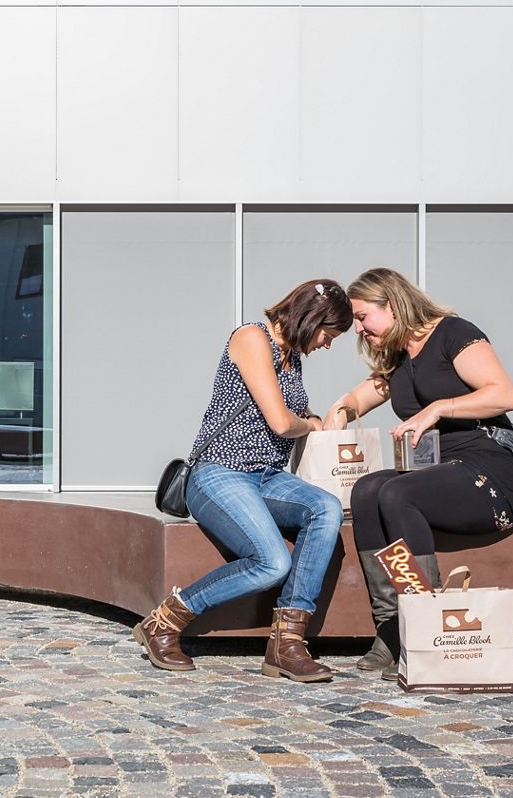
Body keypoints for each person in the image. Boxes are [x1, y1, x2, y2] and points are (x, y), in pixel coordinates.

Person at [133, 280, 351, 680]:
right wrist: (311, 424)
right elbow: (282, 422)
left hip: (267, 477)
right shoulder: (252, 338)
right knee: (272, 563)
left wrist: (318, 419)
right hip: (220, 473)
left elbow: (295, 416)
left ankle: (286, 643)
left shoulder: (291, 357)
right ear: (312, 318)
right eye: (329, 335)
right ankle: (164, 621)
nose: (327, 345)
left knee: (326, 507)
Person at [323, 268, 513, 680]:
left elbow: (504, 395)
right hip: (439, 470)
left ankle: (427, 623)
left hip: (488, 468)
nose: (358, 329)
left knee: (398, 493)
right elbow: (365, 394)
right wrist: (341, 409)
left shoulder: (454, 334)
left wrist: (437, 409)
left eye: (363, 317)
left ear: (392, 306)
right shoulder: (399, 354)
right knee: (367, 490)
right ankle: (392, 627)